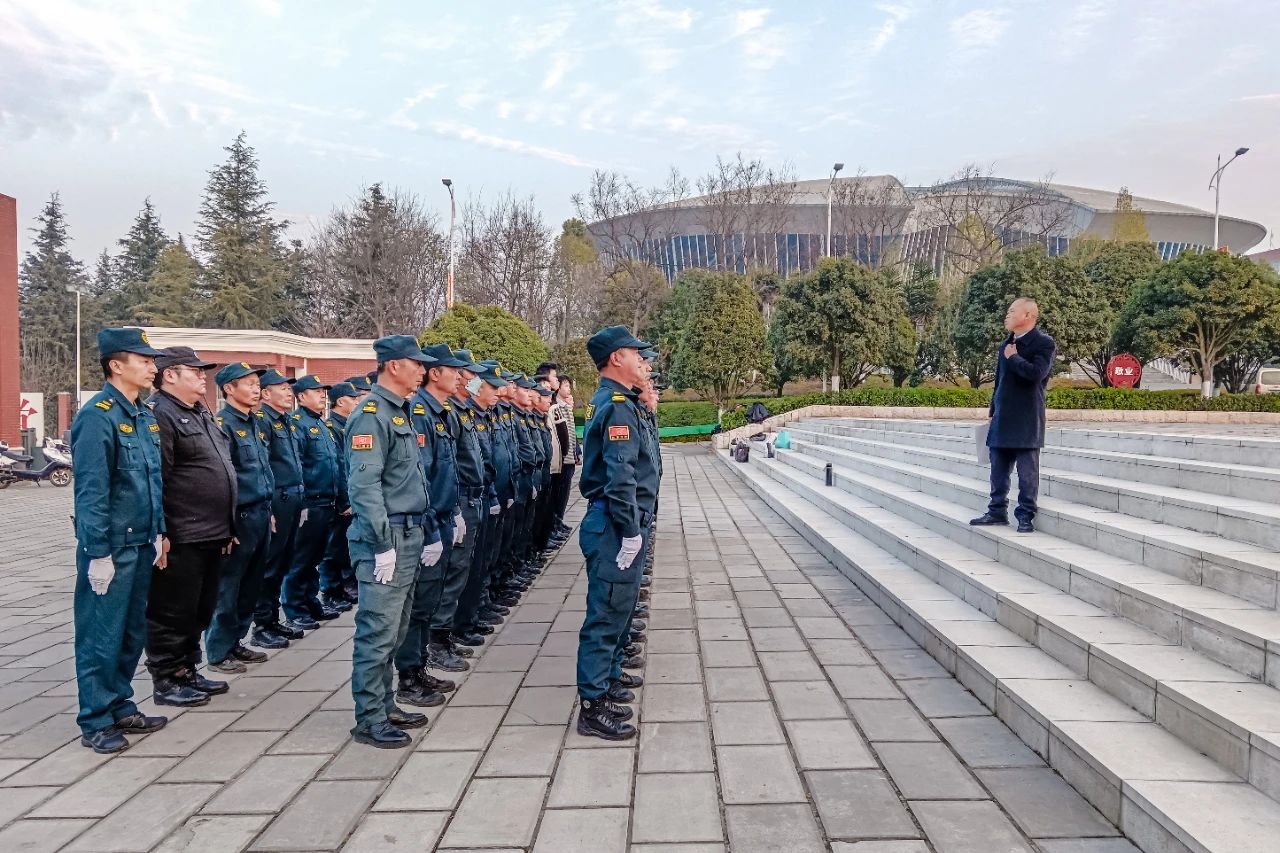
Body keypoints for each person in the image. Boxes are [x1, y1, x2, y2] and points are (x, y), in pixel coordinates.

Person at [71, 327, 169, 753]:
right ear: (116, 365)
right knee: (101, 635)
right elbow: (92, 491)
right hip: (111, 546)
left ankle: (120, 704)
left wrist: (160, 530)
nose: (152, 367)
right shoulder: (98, 416)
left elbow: (153, 480)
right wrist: (97, 552)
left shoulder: (143, 414)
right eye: (143, 360)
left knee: (131, 633)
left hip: (142, 541)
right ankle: (95, 719)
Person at [347, 335, 439, 748]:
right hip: (387, 539)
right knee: (377, 630)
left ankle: (384, 705)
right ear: (394, 365)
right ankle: (369, 718)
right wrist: (381, 544)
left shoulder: (399, 411)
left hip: (410, 533)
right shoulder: (371, 415)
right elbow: (364, 487)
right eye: (416, 363)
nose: (422, 370)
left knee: (396, 628)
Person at [575, 325, 660, 740]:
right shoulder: (617, 406)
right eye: (634, 353)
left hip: (619, 521)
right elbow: (620, 476)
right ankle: (592, 707)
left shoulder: (622, 402)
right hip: (613, 523)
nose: (642, 360)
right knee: (606, 615)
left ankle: (606, 683)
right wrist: (629, 530)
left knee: (619, 610)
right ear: (615, 359)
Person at [146, 346, 236, 707]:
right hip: (182, 534)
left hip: (211, 531)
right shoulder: (161, 414)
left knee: (200, 608)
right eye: (195, 371)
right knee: (172, 610)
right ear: (170, 375)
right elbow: (159, 478)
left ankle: (187, 669)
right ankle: (167, 678)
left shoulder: (199, 411)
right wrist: (162, 532)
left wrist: (227, 525)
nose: (202, 376)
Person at [399, 343, 469, 680]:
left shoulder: (442, 412)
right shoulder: (420, 413)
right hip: (427, 520)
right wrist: (429, 530)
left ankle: (422, 661)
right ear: (435, 374)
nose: (460, 377)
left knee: (433, 594)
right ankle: (410, 673)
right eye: (453, 371)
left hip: (443, 516)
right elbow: (421, 478)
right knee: (420, 601)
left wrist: (454, 511)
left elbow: (448, 470)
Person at [206, 362, 274, 674]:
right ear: (229, 389)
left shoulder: (255, 422)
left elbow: (262, 470)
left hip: (261, 513)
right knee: (228, 587)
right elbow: (222, 479)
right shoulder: (223, 424)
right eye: (248, 384)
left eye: (257, 384)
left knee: (251, 584)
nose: (255, 389)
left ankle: (236, 641)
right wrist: (227, 524)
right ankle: (219, 650)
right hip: (240, 517)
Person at [970, 297, 1056, 534]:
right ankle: (996, 511)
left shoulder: (1044, 343)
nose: (1007, 315)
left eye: (1011, 311)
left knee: (1027, 472)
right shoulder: (1006, 344)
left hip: (1027, 417)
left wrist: (1014, 357)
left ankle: (1025, 515)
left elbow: (1036, 374)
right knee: (998, 469)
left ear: (1028, 315)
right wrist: (992, 408)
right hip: (1002, 416)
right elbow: (1000, 381)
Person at [454, 362, 508, 642]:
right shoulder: (462, 413)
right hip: (466, 498)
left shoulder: (480, 414)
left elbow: (486, 460)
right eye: (492, 388)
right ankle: (459, 625)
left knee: (482, 558)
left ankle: (475, 611)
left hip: (484, 494)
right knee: (466, 565)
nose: (498, 393)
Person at [282, 375, 343, 625]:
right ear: (301, 396)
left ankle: (310, 602)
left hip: (327, 501)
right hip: (311, 502)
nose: (322, 396)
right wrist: (303, 503)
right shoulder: (297, 424)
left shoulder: (320, 424)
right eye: (316, 392)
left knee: (314, 559)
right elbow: (298, 466)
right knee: (301, 560)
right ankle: (295, 610)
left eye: (323, 392)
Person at [254, 370, 308, 644]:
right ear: (266, 393)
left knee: (284, 562)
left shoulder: (286, 421)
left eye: (289, 388)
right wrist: (269, 508)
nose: (289, 392)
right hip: (278, 500)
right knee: (270, 565)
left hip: (293, 499)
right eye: (282, 388)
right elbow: (262, 466)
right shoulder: (262, 421)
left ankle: (273, 620)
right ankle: (262, 625)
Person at [318, 382, 362, 610]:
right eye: (352, 398)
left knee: (344, 546)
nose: (356, 402)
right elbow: (339, 465)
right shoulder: (331, 427)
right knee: (332, 549)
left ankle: (343, 587)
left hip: (350, 493)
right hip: (338, 498)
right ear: (341, 401)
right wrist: (344, 500)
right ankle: (331, 591)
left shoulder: (350, 424)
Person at [549, 375, 577, 538]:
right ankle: (554, 524)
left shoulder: (566, 406)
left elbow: (571, 434)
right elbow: (561, 435)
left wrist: (576, 452)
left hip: (569, 457)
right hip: (562, 459)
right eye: (566, 385)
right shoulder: (555, 407)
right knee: (557, 494)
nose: (569, 389)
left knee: (564, 493)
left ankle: (558, 521)